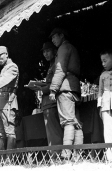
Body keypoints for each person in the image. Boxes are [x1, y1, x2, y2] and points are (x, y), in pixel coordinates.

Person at [49, 28, 83, 159]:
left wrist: (53, 89)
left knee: (67, 121)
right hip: (75, 88)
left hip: (65, 88)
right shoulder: (72, 48)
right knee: (77, 122)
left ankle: (66, 153)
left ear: (61, 35)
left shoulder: (63, 48)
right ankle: (77, 155)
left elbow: (60, 69)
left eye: (54, 37)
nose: (52, 40)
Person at [37, 42, 64, 146]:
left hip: (51, 102)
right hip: (48, 103)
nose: (45, 54)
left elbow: (55, 83)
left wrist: (41, 89)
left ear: (55, 51)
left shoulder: (56, 65)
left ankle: (57, 156)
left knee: (54, 132)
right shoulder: (51, 65)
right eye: (44, 52)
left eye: (48, 51)